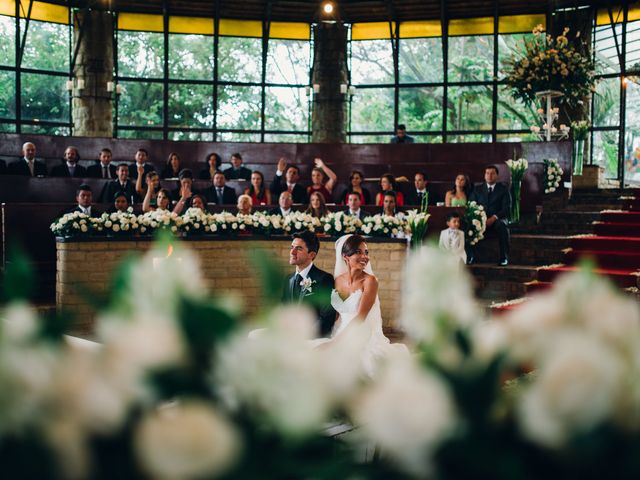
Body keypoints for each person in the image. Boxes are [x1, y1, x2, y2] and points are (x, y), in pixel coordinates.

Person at [313, 234, 408, 377]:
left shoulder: (370, 281)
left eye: (366, 252)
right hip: (339, 332)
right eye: (358, 252)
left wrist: (334, 343)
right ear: (345, 257)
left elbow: (360, 318)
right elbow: (338, 313)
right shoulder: (338, 280)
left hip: (363, 334)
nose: (364, 256)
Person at [282, 231, 336, 338]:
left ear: (311, 255)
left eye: (298, 248)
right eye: (292, 247)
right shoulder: (288, 279)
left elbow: (327, 317)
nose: (292, 252)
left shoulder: (324, 279)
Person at [467, 165, 511, 266]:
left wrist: (494, 217)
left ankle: (504, 257)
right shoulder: (477, 189)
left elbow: (507, 208)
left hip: (497, 219)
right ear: (484, 175)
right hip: (479, 219)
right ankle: (470, 256)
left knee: (503, 226)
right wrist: (479, 218)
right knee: (467, 225)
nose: (489, 176)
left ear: (497, 176)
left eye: (492, 173)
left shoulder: (503, 189)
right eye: (487, 173)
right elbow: (471, 205)